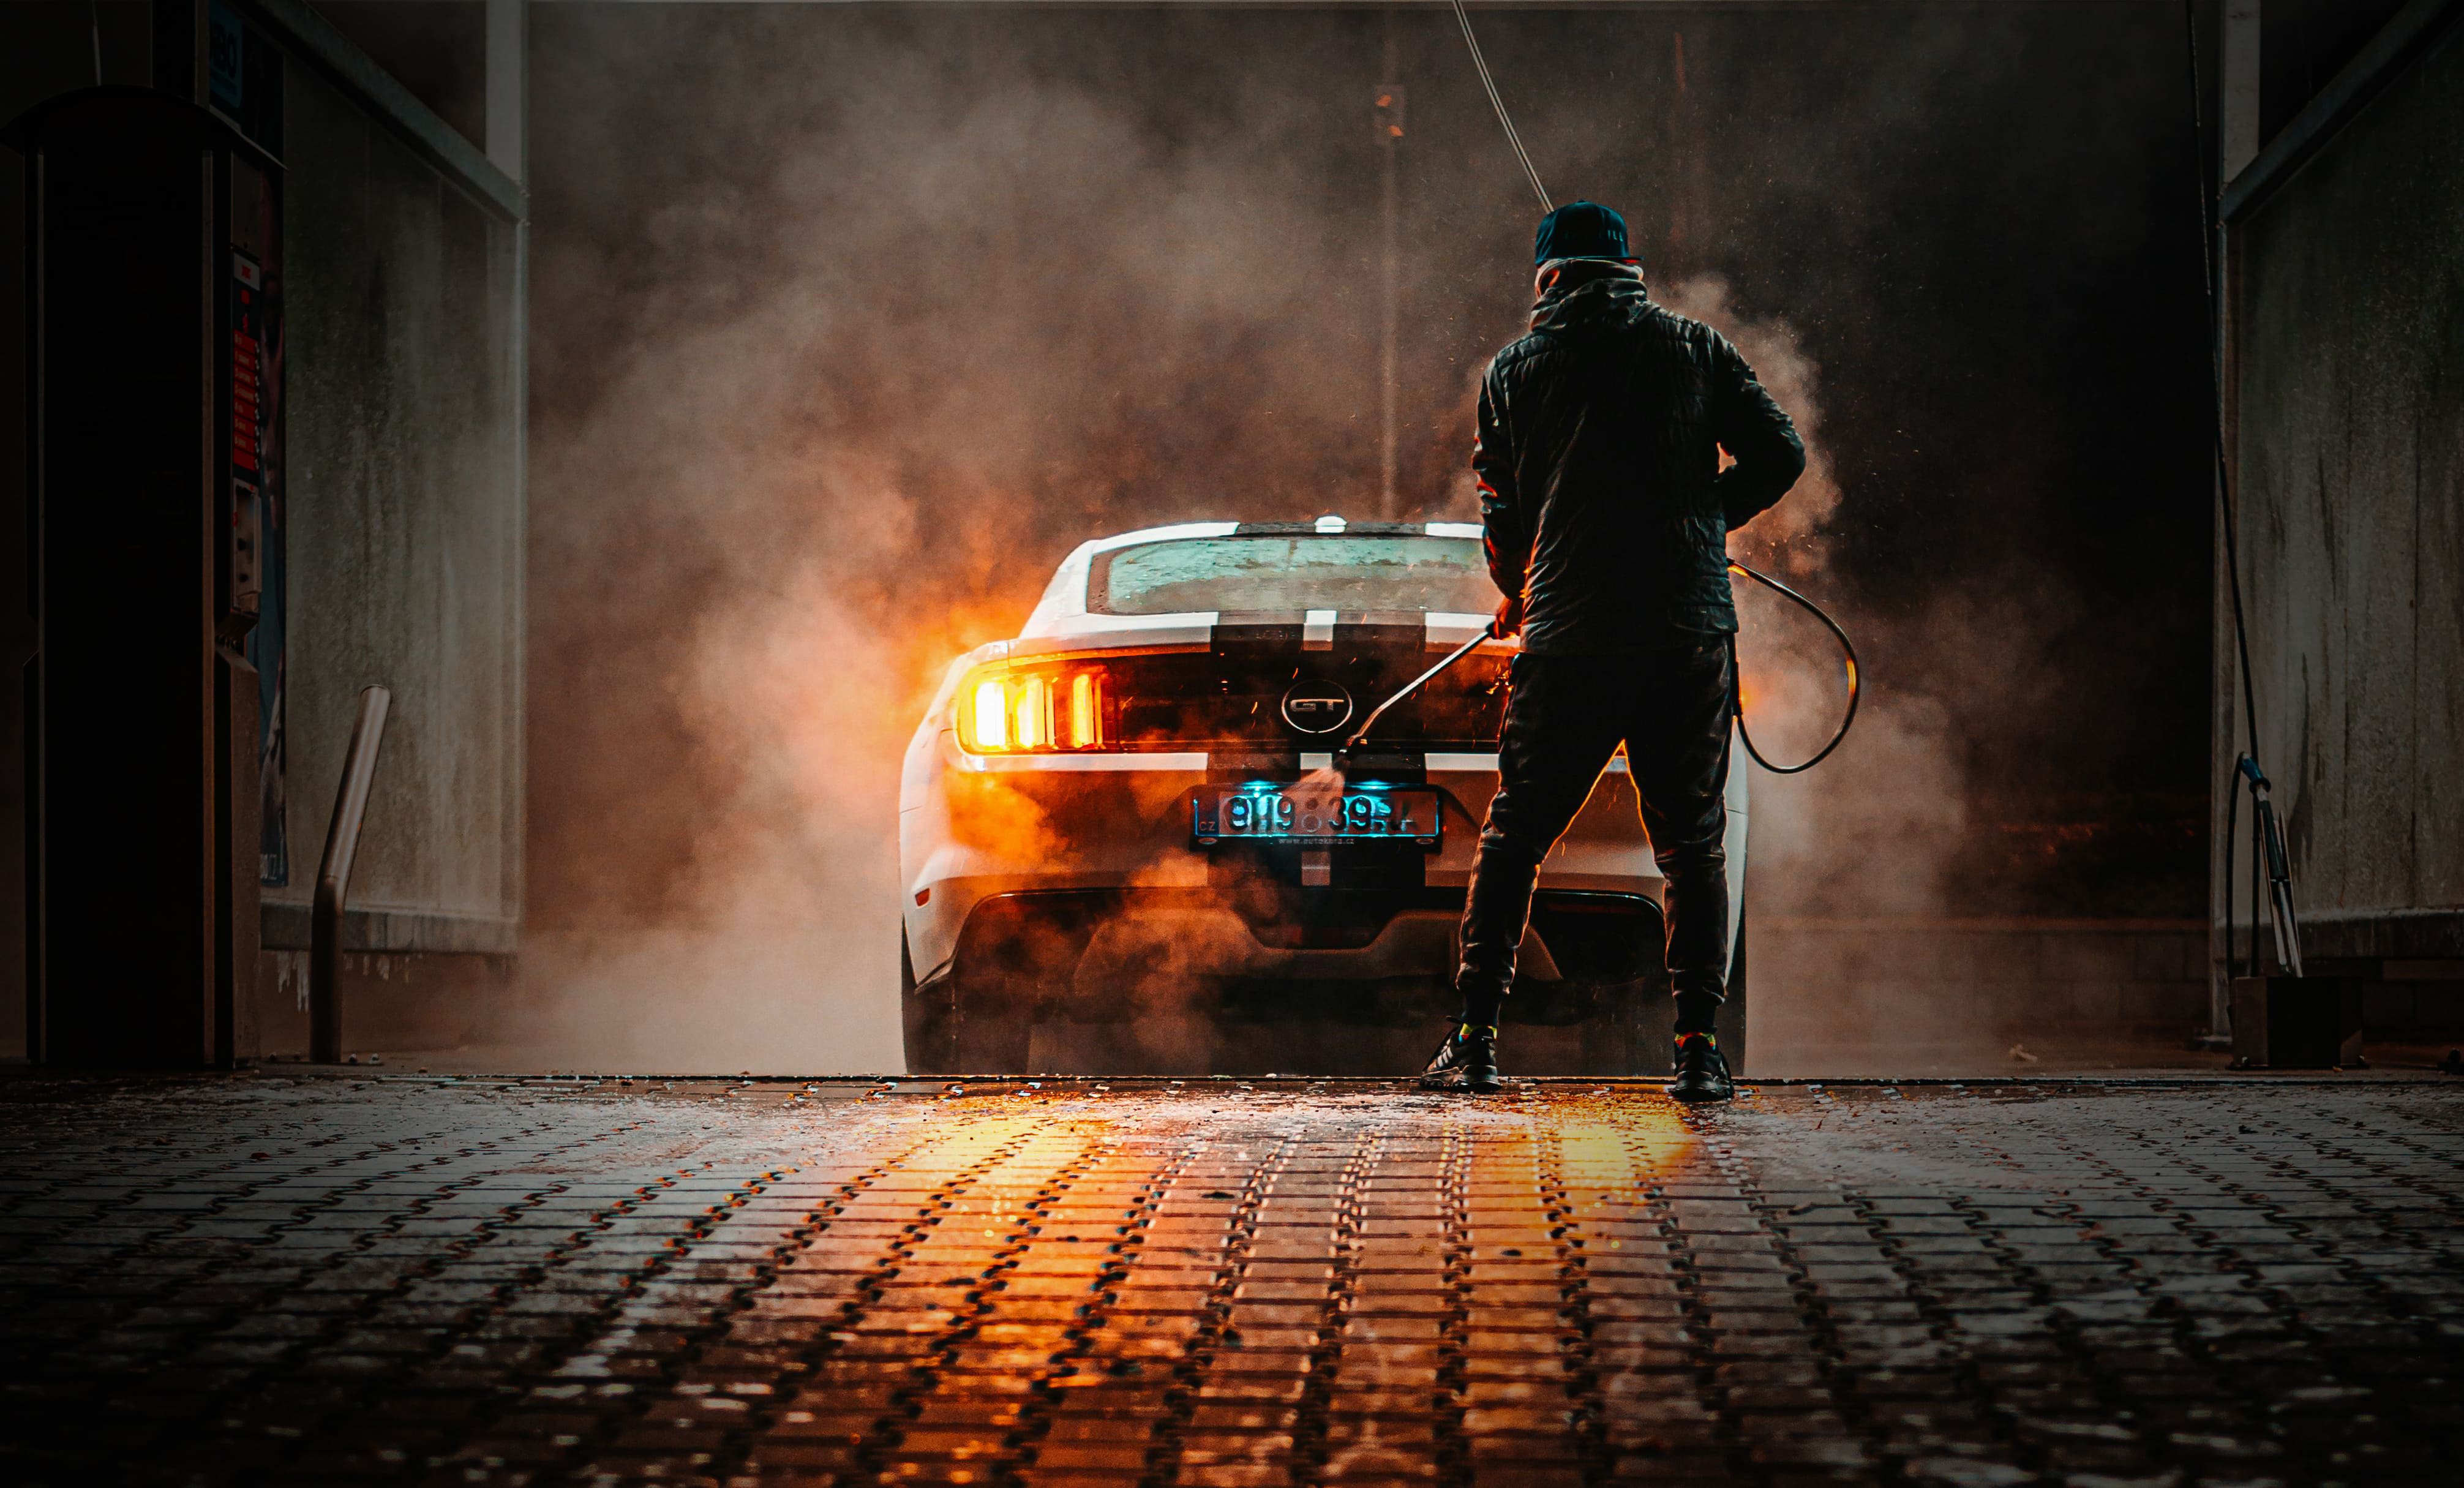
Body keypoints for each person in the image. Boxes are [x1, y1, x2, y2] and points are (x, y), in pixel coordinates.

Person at [1420, 201, 1805, 1102]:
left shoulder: (1513, 370)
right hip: (1685, 635)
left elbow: (1502, 509)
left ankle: (1474, 1042)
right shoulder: (1695, 347)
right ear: (1629, 266)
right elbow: (1780, 453)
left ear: (1548, 278)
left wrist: (1521, 586)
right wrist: (1705, 514)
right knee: (1691, 845)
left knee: (1515, 836)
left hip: (1570, 641)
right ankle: (1699, 1050)